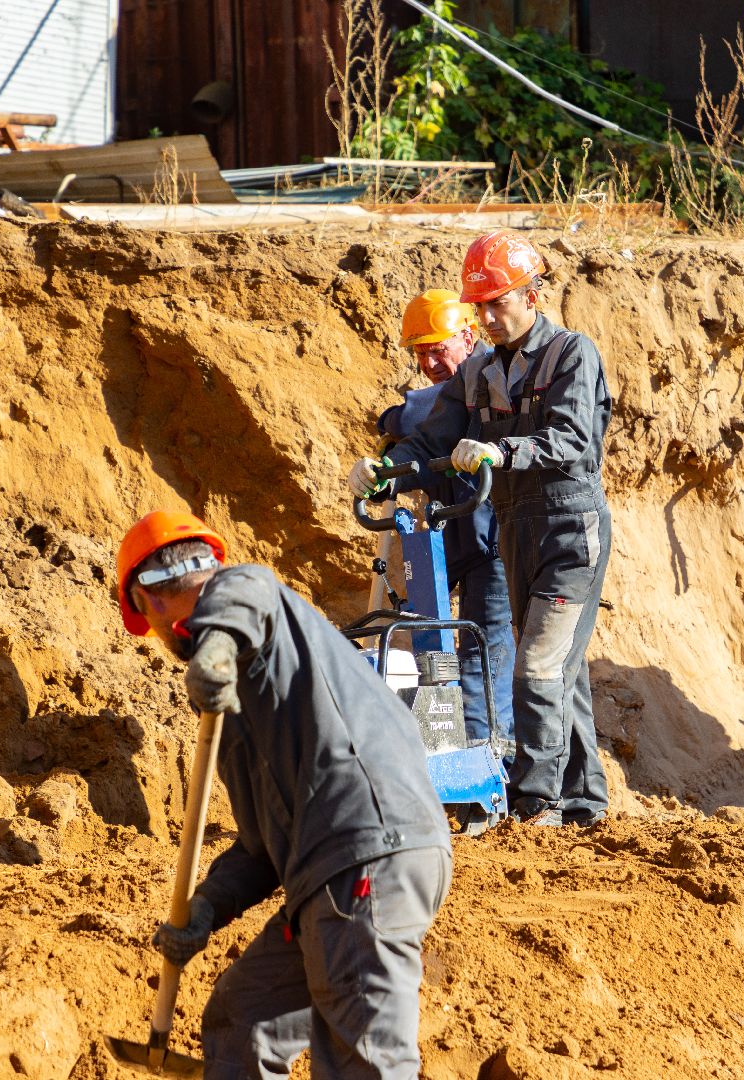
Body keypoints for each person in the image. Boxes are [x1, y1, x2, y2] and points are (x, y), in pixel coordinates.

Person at [115, 510, 451, 1080]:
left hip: (366, 852)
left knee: (364, 1063)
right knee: (244, 1020)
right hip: (328, 871)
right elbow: (261, 846)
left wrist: (214, 647)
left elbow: (244, 588)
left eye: (148, 618)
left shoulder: (244, 593)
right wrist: (207, 907)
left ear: (151, 599)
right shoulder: (240, 706)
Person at [348, 231, 612, 829]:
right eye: (480, 306)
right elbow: (428, 442)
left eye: (498, 303)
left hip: (570, 528)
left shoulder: (571, 354)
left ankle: (535, 806)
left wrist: (501, 452)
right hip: (516, 530)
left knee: (537, 666)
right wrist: (382, 473)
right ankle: (586, 804)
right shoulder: (478, 372)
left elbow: (573, 439)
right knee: (561, 669)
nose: (488, 318)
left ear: (531, 295)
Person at [376, 289, 515, 748]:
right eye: (420, 353)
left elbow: (411, 414)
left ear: (468, 338)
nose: (430, 362)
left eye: (438, 349)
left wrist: (395, 423)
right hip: (460, 539)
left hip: (493, 544)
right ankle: (459, 752)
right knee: (440, 649)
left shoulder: (490, 372)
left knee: (481, 655)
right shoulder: (458, 389)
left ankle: (488, 761)